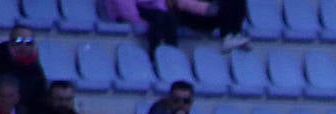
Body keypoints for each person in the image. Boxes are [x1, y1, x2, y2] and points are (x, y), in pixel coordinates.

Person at [104, 0, 251, 56]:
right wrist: (139, 22)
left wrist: (207, 9)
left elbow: (179, 2)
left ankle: (231, 35)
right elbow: (125, 9)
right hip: (147, 14)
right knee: (164, 20)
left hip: (171, 11)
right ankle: (163, 56)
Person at [0, 25, 48, 114]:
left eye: (28, 43)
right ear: (10, 44)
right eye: (18, 41)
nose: (23, 46)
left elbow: (40, 103)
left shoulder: (36, 70)